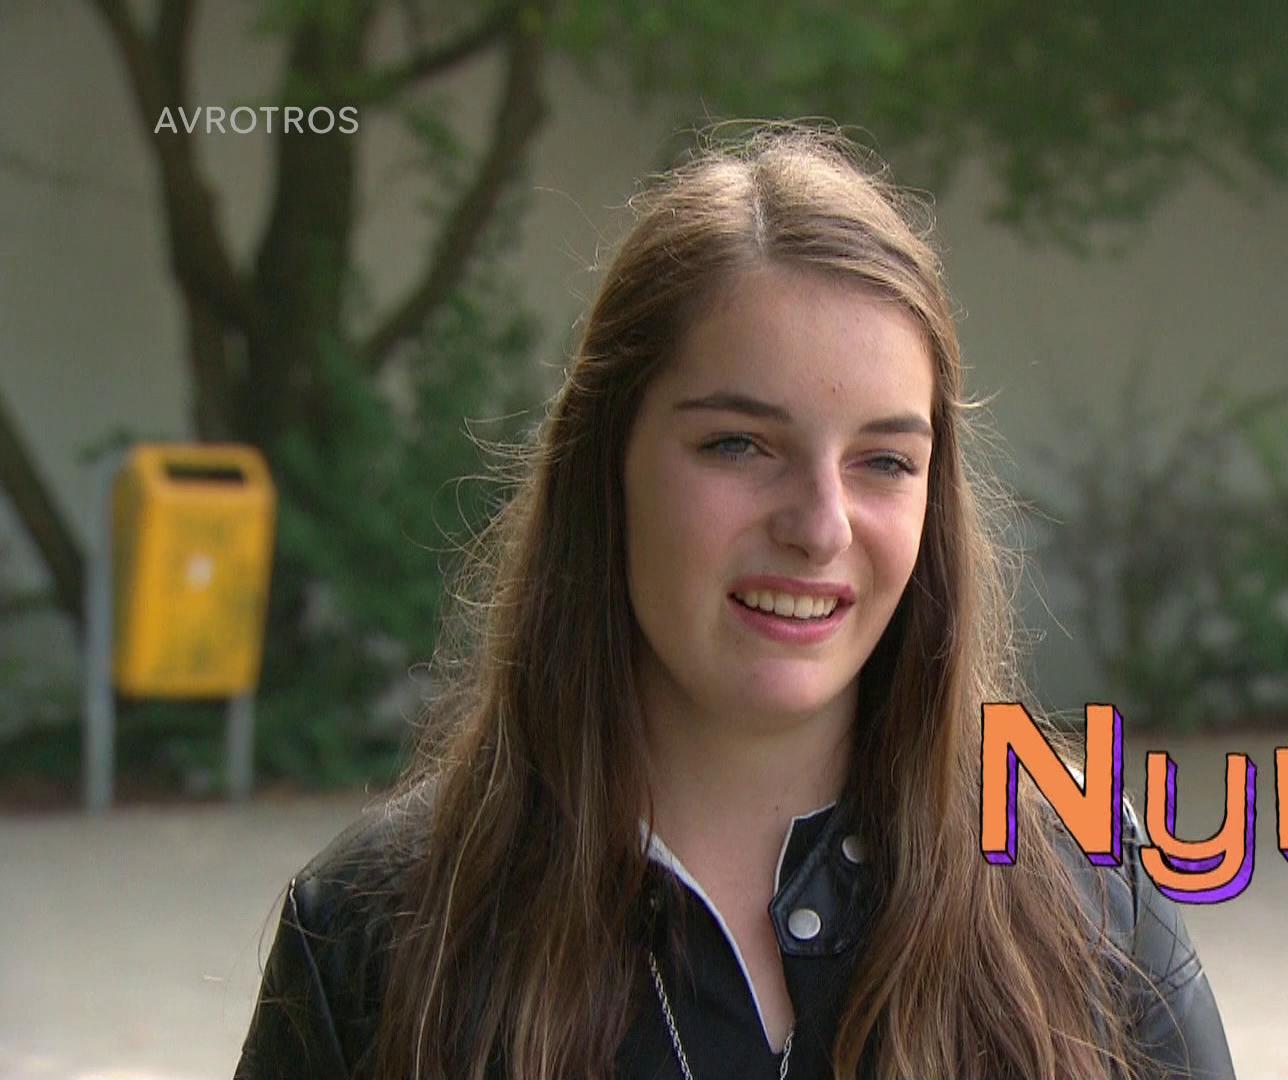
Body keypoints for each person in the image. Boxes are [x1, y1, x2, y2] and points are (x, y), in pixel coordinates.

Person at [233, 124, 1236, 1080]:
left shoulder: (1085, 890)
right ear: (605, 466)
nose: (821, 526)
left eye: (885, 460)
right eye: (739, 445)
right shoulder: (375, 934)